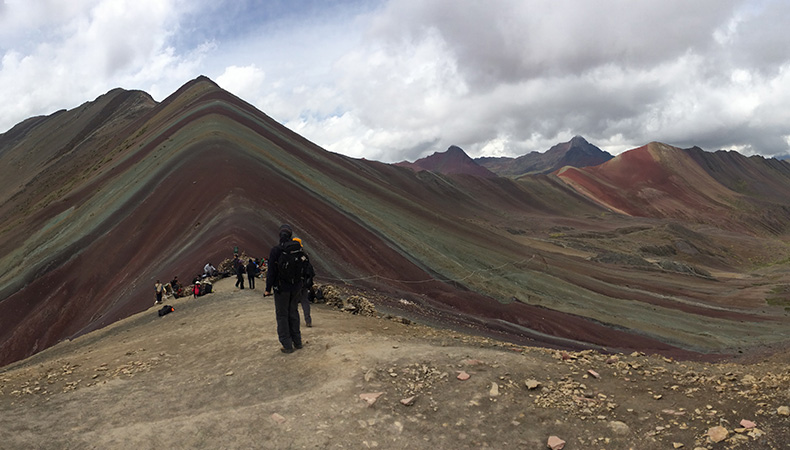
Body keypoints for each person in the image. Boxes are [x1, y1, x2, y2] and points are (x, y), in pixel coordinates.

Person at [265, 224, 313, 353]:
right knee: (293, 312)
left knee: (282, 315)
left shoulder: (276, 250)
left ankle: (287, 345)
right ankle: (297, 342)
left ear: (280, 235)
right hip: (296, 287)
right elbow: (306, 266)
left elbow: (271, 272)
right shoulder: (298, 249)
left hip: (281, 288)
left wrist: (268, 288)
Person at [292, 237, 315, 327]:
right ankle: (308, 320)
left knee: (293, 302)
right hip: (304, 283)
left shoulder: (290, 255)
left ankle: (294, 321)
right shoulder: (304, 256)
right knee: (305, 302)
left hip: (294, 283)